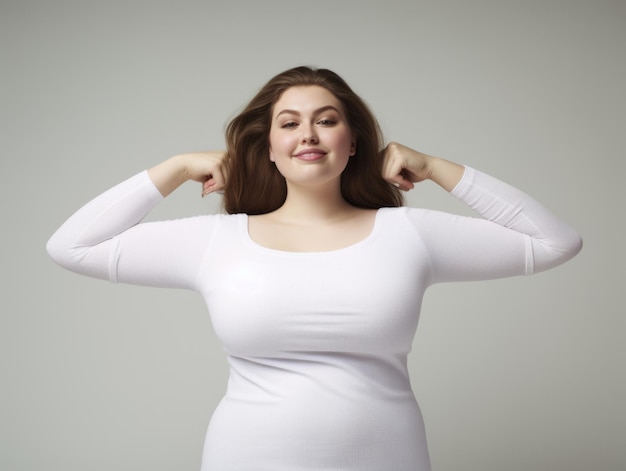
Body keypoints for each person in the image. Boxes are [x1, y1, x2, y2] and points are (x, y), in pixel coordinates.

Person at [46, 66, 582, 471]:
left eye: (327, 121)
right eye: (290, 124)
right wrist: (177, 167)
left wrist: (438, 168)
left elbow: (556, 242)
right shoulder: (216, 240)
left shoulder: (409, 234)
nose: (309, 134)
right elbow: (71, 246)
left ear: (352, 144)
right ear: (270, 147)